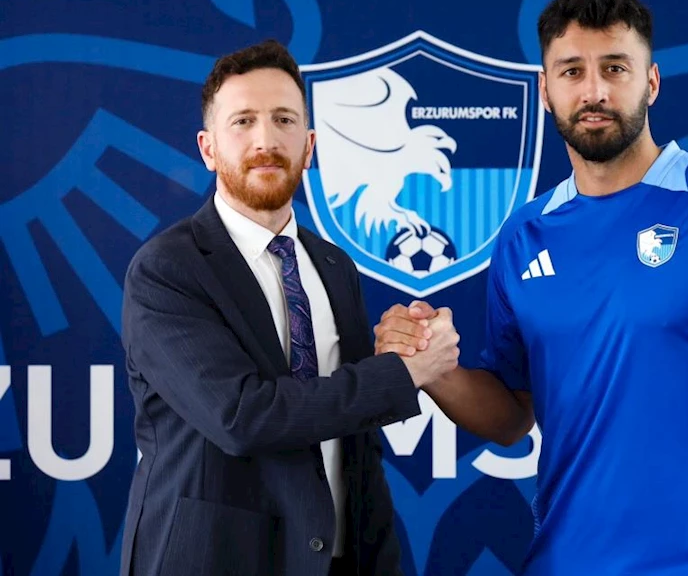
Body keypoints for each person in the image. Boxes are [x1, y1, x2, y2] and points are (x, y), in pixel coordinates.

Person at [374, 0, 688, 576]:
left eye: (615, 68)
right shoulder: (524, 234)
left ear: (651, 83)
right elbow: (512, 415)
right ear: (546, 90)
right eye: (572, 71)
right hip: (561, 562)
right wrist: (432, 368)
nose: (594, 91)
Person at [120, 39, 459, 576]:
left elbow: (357, 447)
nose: (265, 140)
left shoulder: (333, 266)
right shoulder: (167, 269)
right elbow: (242, 418)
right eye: (243, 121)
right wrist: (403, 372)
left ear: (309, 144)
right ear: (208, 149)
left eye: (284, 120)